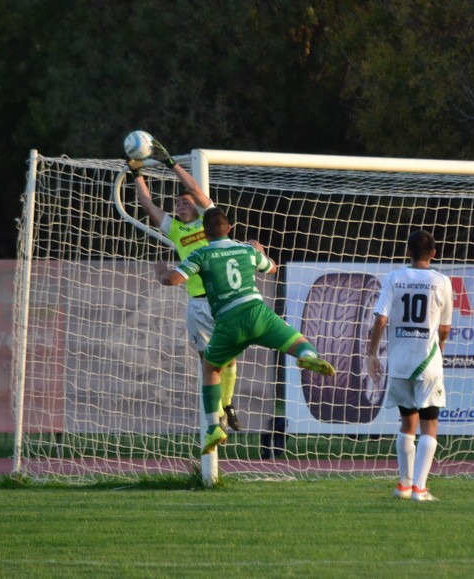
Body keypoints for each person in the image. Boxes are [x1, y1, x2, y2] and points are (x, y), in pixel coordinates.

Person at [157, 207, 336, 453]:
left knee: (210, 369)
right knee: (300, 342)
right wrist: (261, 251)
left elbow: (172, 279)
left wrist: (161, 272)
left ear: (205, 234)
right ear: (229, 228)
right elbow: (271, 268)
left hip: (228, 323)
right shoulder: (246, 250)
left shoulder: (201, 254)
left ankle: (214, 427)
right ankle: (308, 357)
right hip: (258, 314)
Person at [128, 136, 242, 431]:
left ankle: (227, 405)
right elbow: (147, 204)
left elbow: (195, 189)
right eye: (177, 203)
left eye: (185, 202)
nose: (180, 205)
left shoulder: (208, 220)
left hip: (224, 299)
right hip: (198, 304)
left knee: (229, 359)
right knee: (208, 362)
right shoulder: (175, 229)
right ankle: (216, 417)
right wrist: (136, 172)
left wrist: (170, 163)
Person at [367, 229, 453, 502]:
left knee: (407, 423)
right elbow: (445, 328)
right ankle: (420, 488)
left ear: (408, 252)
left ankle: (404, 485)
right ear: (434, 253)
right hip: (427, 361)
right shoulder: (442, 281)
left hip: (400, 362)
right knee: (429, 425)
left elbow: (380, 319)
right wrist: (441, 347)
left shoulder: (395, 278)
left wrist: (372, 354)